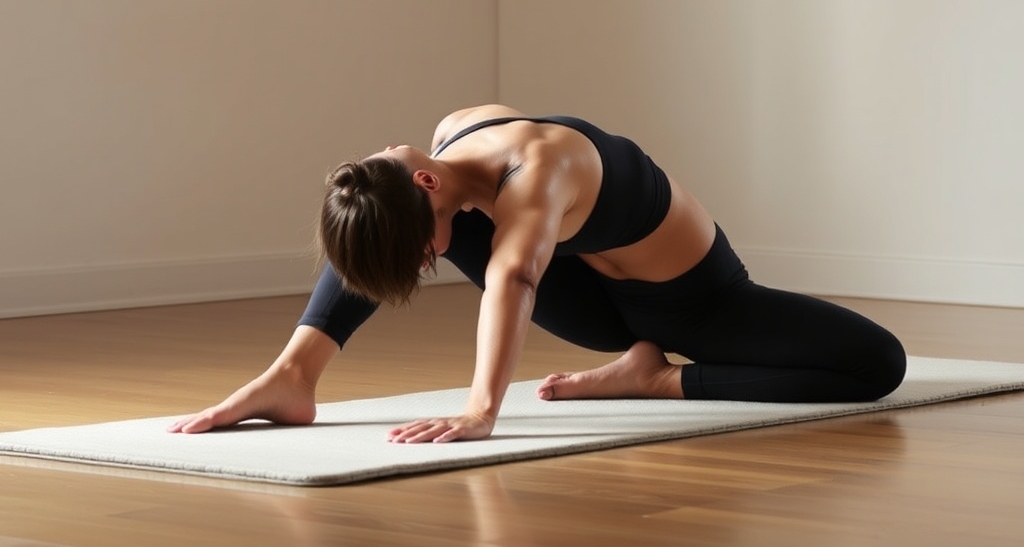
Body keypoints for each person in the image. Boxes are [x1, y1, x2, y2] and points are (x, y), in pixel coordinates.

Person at [168, 104, 906, 443]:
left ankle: (658, 379)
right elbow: (390, 195)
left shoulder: (540, 169)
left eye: (424, 250)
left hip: (697, 306)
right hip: (594, 306)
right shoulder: (445, 148)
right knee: (367, 215)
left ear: (426, 184)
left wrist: (479, 411)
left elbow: (515, 279)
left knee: (878, 362)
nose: (431, 263)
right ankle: (295, 374)